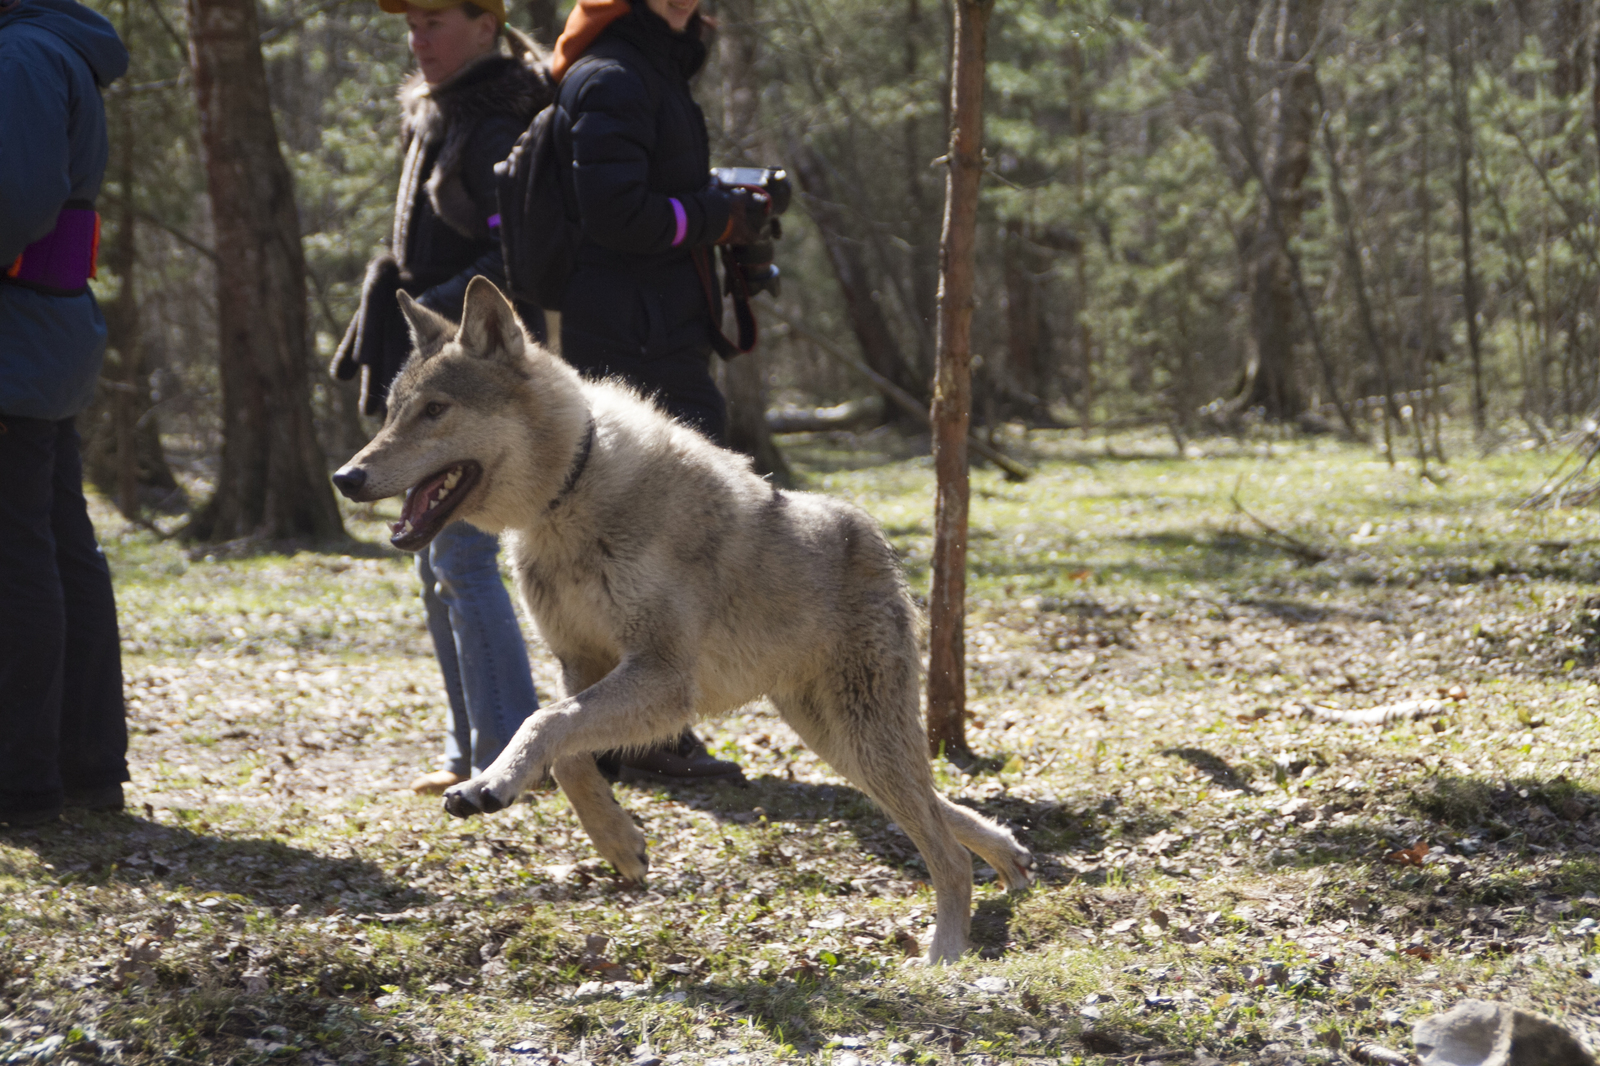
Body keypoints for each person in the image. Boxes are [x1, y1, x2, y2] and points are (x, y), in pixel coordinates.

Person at [332, 0, 553, 795]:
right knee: (434, 556)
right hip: (436, 366)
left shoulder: (499, 121)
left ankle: (510, 758)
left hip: (478, 385)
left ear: (487, 26)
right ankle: (469, 752)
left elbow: (516, 261)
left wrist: (439, 322)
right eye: (412, 24)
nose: (419, 39)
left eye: (436, 22)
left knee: (461, 555)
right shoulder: (441, 113)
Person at [546, 0, 765, 784]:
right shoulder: (612, 74)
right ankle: (641, 737)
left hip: (660, 331)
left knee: (656, 536)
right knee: (655, 535)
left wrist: (722, 218)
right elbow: (616, 213)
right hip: (635, 340)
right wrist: (715, 215)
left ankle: (643, 735)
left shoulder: (658, 68)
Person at [0, 0, 131, 826]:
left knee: (17, 555)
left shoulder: (19, 56)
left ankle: (23, 779)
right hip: (42, 331)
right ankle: (84, 765)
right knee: (53, 544)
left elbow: (17, 204)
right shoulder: (43, 49)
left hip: (16, 334)